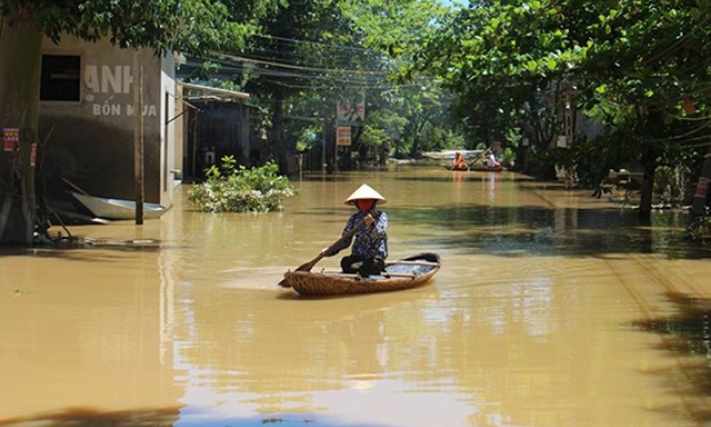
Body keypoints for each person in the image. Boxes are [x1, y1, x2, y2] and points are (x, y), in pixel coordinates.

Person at [321, 184, 388, 277]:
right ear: (357, 203)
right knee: (345, 262)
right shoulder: (354, 218)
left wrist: (372, 225)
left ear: (373, 202)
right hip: (358, 257)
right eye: (361, 201)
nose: (364, 203)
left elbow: (380, 233)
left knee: (369, 266)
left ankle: (362, 272)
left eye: (367, 201)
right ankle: (356, 271)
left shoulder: (380, 216)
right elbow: (345, 240)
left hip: (374, 259)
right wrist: (329, 251)